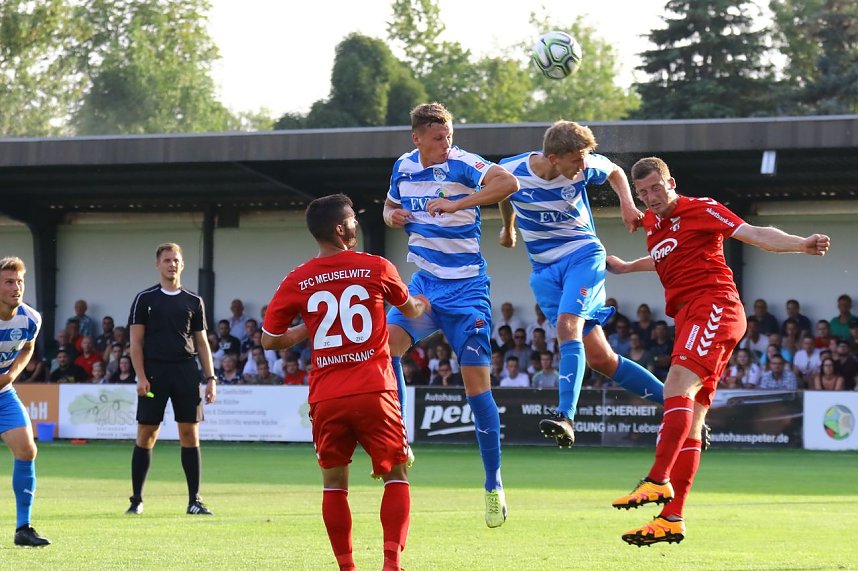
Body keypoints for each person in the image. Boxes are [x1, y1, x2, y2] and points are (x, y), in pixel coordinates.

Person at [607, 156, 830, 546]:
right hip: (688, 316)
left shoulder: (703, 209)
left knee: (676, 384)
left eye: (656, 188)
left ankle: (657, 480)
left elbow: (755, 233)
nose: (651, 198)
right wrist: (626, 266)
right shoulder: (653, 223)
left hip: (714, 306)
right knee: (693, 418)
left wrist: (801, 244)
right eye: (643, 193)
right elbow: (665, 257)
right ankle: (671, 519)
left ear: (671, 182)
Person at [261, 193, 428, 571]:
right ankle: (391, 565)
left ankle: (347, 567)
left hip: (327, 396)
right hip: (374, 390)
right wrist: (425, 304)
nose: (356, 223)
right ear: (340, 229)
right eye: (352, 219)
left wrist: (311, 326)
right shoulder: (376, 267)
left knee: (334, 483)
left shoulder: (298, 278)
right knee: (396, 475)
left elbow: (270, 340)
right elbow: (411, 310)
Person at [382, 102, 519, 527]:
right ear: (417, 139)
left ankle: (493, 484)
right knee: (386, 347)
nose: (446, 143)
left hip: (467, 290)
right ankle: (400, 437)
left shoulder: (463, 163)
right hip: (424, 284)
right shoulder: (403, 167)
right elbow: (387, 208)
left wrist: (461, 203)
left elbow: (508, 183)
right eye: (438, 138)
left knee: (477, 387)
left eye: (449, 136)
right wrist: (392, 216)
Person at [497, 120, 665, 448]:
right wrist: (508, 227)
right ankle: (679, 406)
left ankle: (565, 416)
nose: (582, 165)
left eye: (585, 157)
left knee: (566, 325)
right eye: (576, 159)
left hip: (582, 255)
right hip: (544, 271)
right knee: (601, 359)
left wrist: (627, 204)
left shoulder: (584, 167)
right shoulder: (511, 170)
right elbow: (503, 190)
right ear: (554, 158)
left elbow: (615, 171)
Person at [126, 242, 218, 516]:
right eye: (167, 260)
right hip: (154, 373)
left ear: (182, 264)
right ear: (158, 264)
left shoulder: (193, 301)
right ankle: (136, 500)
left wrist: (211, 378)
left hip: (185, 372)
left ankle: (194, 501)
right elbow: (135, 343)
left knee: (190, 433)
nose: (172, 264)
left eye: (176, 260)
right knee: (147, 434)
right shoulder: (145, 299)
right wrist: (141, 377)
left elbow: (202, 343)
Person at [0, 257, 51, 547]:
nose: (16, 287)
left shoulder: (31, 318)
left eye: (20, 281)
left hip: (3, 394)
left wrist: (10, 376)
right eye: (9, 282)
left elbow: (28, 348)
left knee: (27, 449)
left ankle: (23, 528)